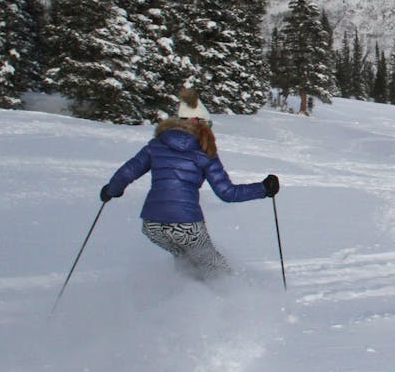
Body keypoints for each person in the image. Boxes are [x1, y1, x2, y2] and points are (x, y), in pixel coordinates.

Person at [101, 88, 280, 280]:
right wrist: (263, 188)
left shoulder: (157, 145)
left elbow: (127, 172)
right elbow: (227, 193)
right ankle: (232, 300)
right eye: (206, 123)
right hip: (186, 224)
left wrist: (111, 191)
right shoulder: (204, 152)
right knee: (215, 268)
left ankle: (184, 296)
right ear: (196, 121)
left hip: (152, 224)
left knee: (185, 260)